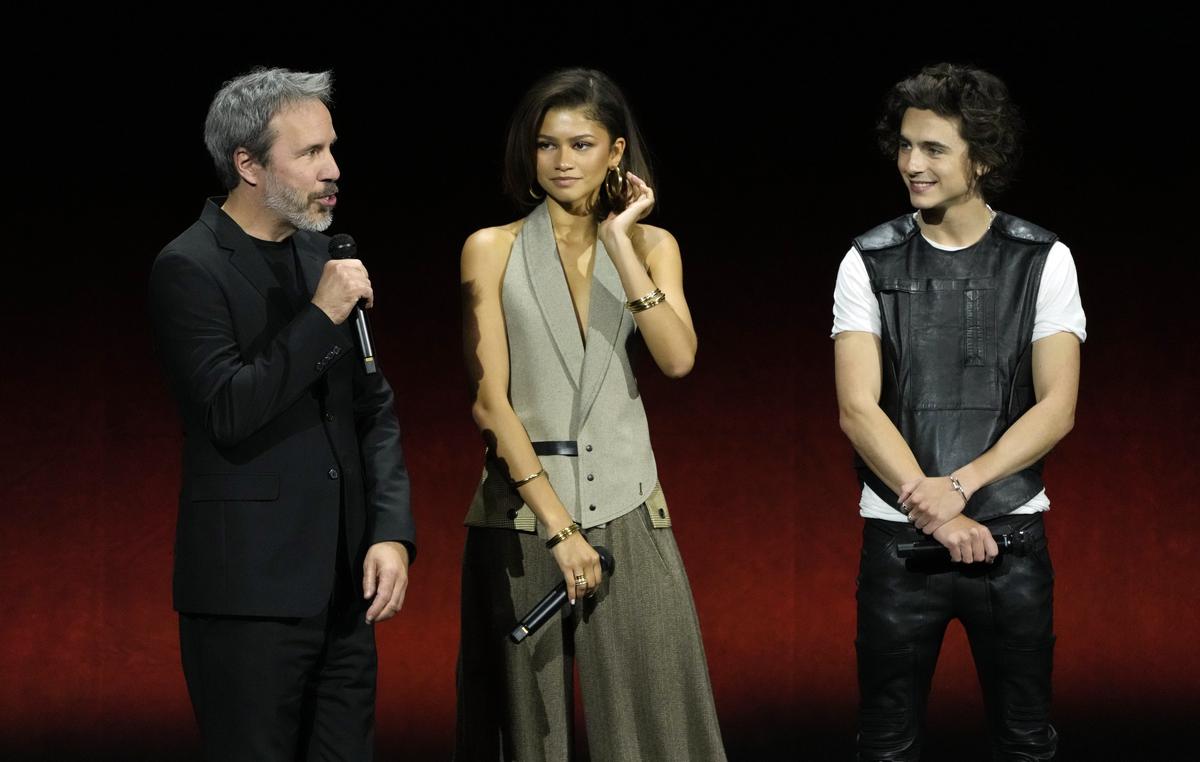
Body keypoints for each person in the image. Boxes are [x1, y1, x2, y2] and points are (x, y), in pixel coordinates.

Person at [454, 67, 726, 761]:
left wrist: (619, 242)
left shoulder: (652, 245)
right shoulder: (492, 248)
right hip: (522, 517)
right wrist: (560, 529)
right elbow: (491, 401)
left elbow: (678, 358)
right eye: (547, 145)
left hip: (631, 506)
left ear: (616, 152)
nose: (562, 161)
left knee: (662, 728)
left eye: (581, 144)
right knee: (524, 733)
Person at [148, 67, 415, 761]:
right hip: (248, 598)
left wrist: (390, 532)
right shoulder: (189, 266)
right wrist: (322, 314)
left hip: (342, 591)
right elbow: (229, 410)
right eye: (309, 154)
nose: (333, 170)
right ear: (248, 164)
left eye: (332, 149)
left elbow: (372, 407)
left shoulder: (324, 253)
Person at [832, 63, 1086, 761]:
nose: (912, 164)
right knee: (885, 744)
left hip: (1010, 541)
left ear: (984, 157)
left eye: (934, 148)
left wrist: (962, 487)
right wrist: (938, 511)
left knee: (1026, 742)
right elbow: (858, 408)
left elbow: (1056, 406)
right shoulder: (867, 260)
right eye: (906, 146)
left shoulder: (1044, 258)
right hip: (899, 544)